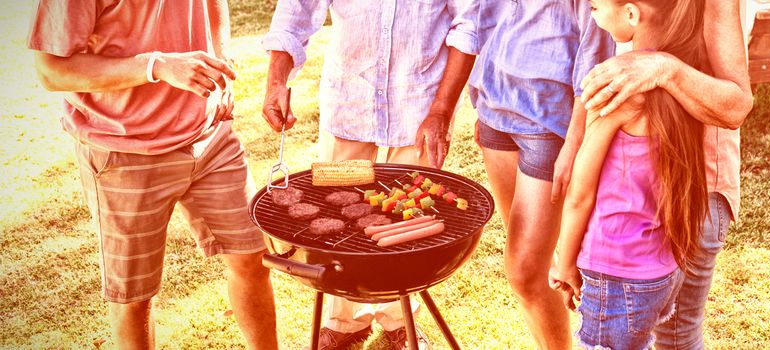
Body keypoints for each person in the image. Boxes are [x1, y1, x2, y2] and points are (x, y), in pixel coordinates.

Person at [28, 1, 278, 349]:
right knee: (134, 297)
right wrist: (156, 66)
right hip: (126, 150)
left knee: (253, 256)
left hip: (210, 136)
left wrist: (220, 57)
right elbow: (51, 71)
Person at [261, 1, 478, 349]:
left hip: (421, 105)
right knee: (335, 221)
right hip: (349, 102)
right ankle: (344, 320)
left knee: (407, 225)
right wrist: (275, 83)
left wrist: (442, 110)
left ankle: (400, 319)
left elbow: (469, 24)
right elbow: (296, 10)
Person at [577, 0, 754, 349]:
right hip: (627, 192)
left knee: (675, 335)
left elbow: (735, 106)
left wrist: (664, 68)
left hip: (696, 189)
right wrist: (576, 143)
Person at [547, 0, 717, 348]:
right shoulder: (686, 77)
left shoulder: (614, 87)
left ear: (631, 14)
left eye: (596, 5)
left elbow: (580, 196)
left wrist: (563, 264)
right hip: (662, 269)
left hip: (614, 270)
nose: (589, 7)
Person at [466, 0, 614, 348]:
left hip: (547, 119)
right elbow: (487, 15)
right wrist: (483, 91)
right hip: (495, 108)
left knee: (524, 272)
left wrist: (575, 140)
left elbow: (596, 47)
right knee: (533, 267)